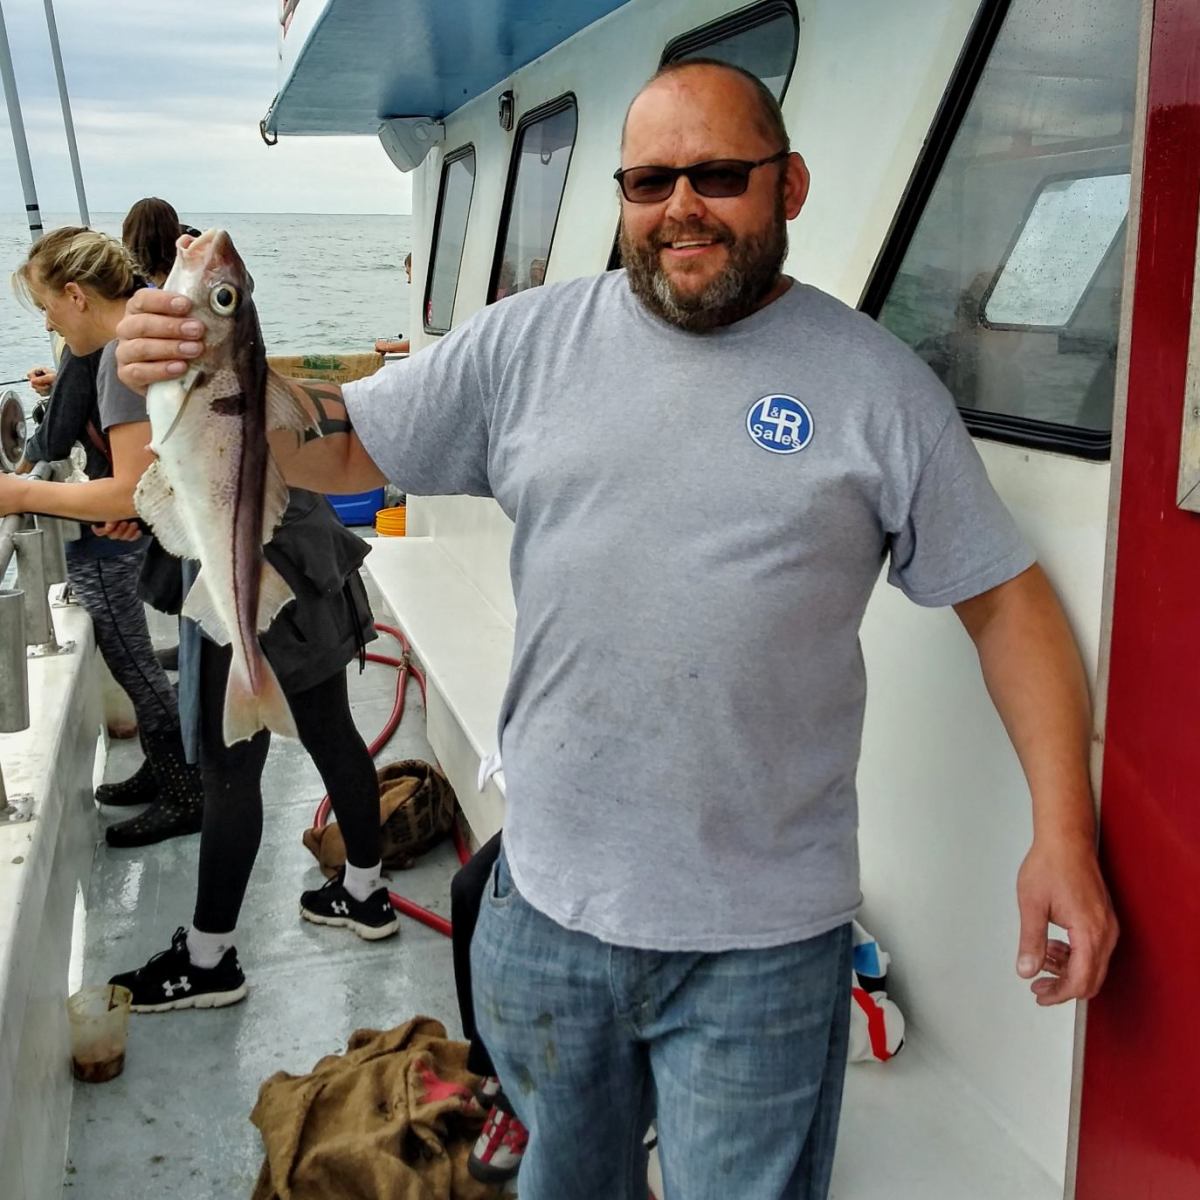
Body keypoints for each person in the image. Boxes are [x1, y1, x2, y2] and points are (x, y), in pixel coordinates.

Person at [117, 60, 1119, 1200]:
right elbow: (341, 443)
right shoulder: (528, 343)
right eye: (649, 181)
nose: (680, 206)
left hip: (765, 949)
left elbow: (1007, 602)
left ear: (788, 185)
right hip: (547, 914)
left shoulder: (880, 390)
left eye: (717, 175)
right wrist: (203, 370)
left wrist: (1063, 834)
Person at [3, 227, 203, 846]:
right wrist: (138, 510)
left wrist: (19, 494)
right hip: (165, 530)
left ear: (76, 295)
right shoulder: (141, 334)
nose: (48, 324)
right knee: (137, 658)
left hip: (125, 543)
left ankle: (184, 792)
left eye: (47, 307)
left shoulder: (119, 356)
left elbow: (125, 486)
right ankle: (162, 770)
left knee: (132, 662)